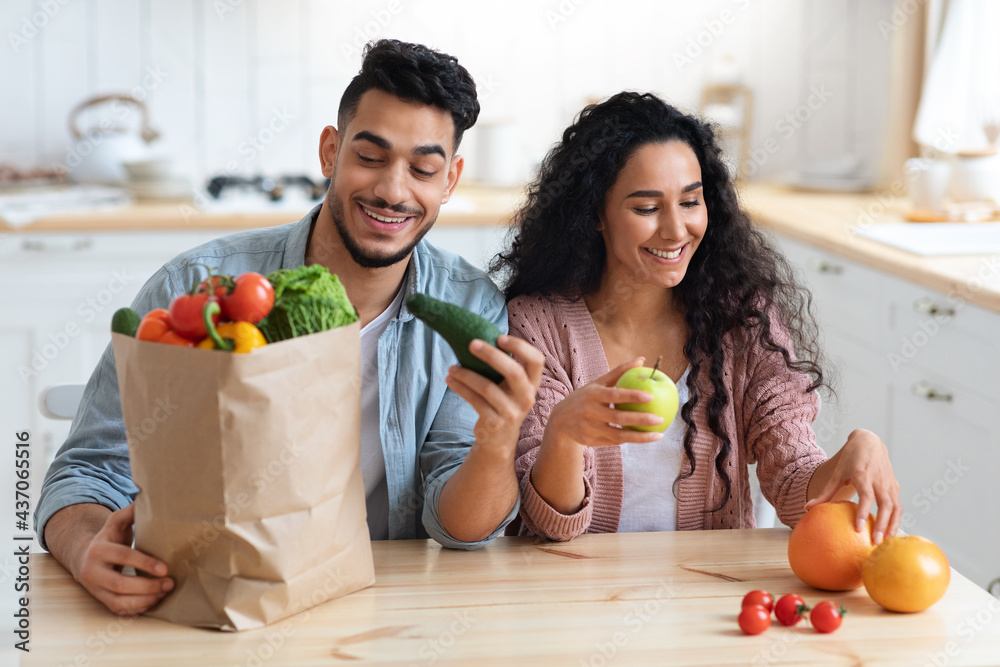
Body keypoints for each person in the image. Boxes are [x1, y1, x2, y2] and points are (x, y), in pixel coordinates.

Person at [37, 39, 544, 616]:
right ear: (330, 153)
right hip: (205, 600)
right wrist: (83, 551)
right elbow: (88, 469)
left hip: (377, 605)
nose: (393, 191)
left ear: (449, 180)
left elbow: (460, 532)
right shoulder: (197, 286)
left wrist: (498, 441)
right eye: (370, 157)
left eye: (423, 169)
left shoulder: (470, 306)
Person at [493, 92, 900, 543]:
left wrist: (854, 453)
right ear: (595, 215)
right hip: (571, 590)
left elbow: (794, 487)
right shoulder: (538, 324)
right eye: (646, 208)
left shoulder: (740, 320)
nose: (675, 229)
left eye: (690, 202)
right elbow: (549, 524)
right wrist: (564, 435)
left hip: (704, 590)